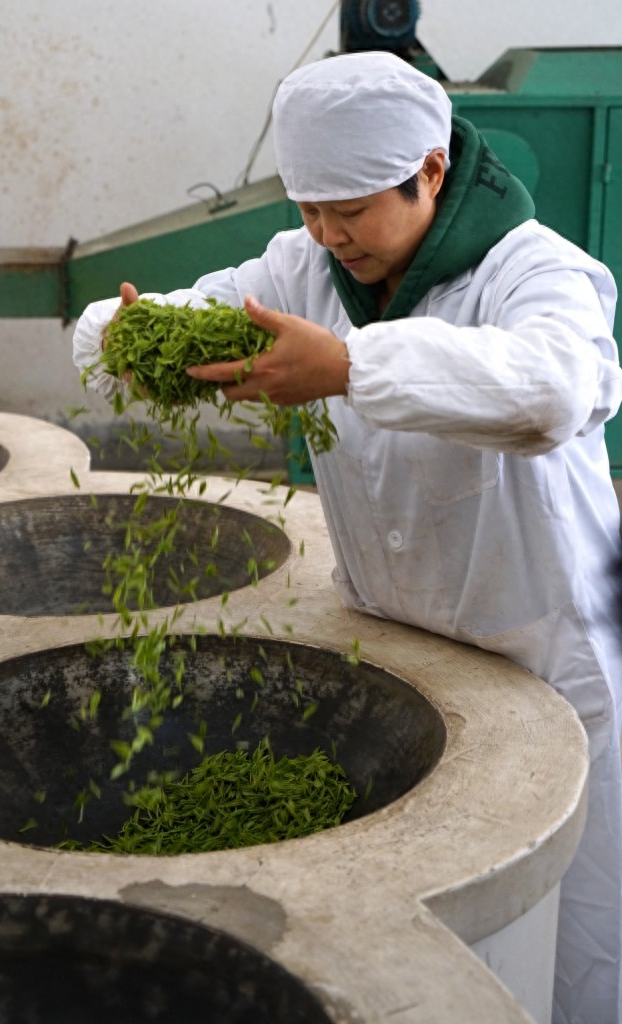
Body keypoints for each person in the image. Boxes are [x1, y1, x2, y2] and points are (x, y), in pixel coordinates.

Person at [73, 52, 622, 1023]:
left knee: (566, 928)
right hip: (401, 639)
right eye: (308, 206)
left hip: (544, 643)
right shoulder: (304, 265)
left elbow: (556, 389)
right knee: (406, 923)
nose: (328, 234)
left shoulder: (533, 268)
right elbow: (194, 309)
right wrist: (123, 333)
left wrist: (346, 365)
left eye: (352, 208)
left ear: (431, 168)